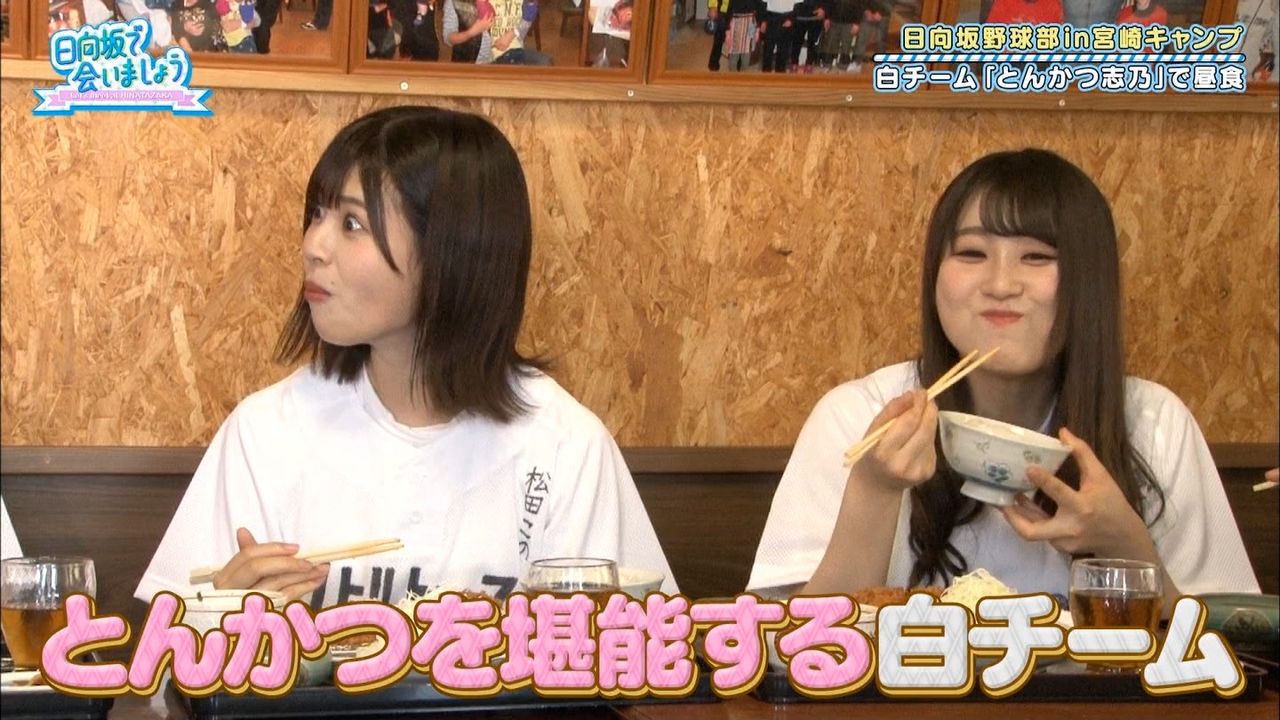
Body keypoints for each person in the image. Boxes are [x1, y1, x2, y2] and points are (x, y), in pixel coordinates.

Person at [135, 106, 676, 607]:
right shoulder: (266, 433)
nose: (313, 246)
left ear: (449, 251)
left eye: (352, 224)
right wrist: (218, 620)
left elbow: (635, 655)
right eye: (318, 213)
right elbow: (168, 657)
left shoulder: (565, 448)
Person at [746, 149, 1259, 607]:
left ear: (1088, 280)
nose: (1000, 283)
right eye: (972, 253)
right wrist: (874, 490)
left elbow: (1232, 646)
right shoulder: (858, 416)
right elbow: (790, 648)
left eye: (1037, 257)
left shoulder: (1154, 422)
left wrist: (1126, 542)